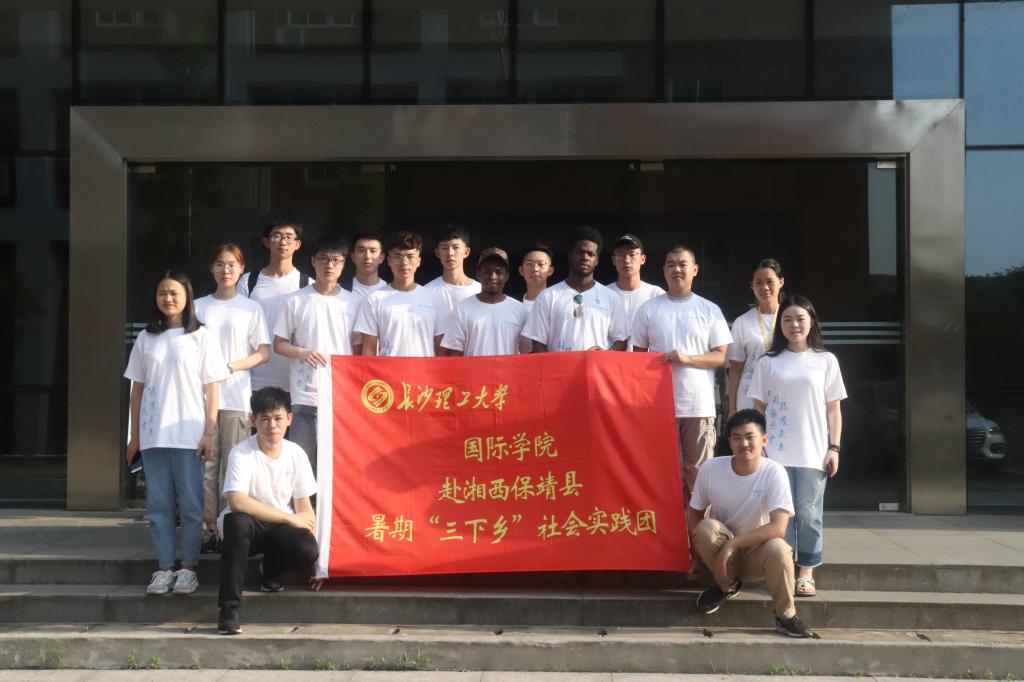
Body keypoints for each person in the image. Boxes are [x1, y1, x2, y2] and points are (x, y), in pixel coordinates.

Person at [124, 270, 228, 595]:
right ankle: (165, 567)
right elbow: (137, 390)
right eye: (162, 293)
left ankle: (189, 568)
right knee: (158, 506)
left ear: (187, 297)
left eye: (174, 293)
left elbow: (213, 389)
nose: (168, 298)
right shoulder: (146, 338)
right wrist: (135, 436)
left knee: (192, 505)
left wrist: (209, 432)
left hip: (189, 434)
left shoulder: (201, 336)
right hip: (153, 435)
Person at [748, 294, 846, 598]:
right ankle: (784, 569)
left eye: (801, 319)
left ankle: (806, 572)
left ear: (812, 322)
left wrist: (834, 447)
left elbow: (834, 409)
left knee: (809, 513)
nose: (794, 325)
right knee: (780, 516)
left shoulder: (826, 360)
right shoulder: (768, 362)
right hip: (775, 453)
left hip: (814, 451)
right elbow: (757, 408)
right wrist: (760, 448)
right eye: (787, 319)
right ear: (780, 325)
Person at [689, 409, 815, 638]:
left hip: (757, 555)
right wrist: (696, 557)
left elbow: (778, 527)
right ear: (729, 441)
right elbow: (695, 512)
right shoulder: (711, 468)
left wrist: (733, 544)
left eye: (750, 437)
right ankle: (727, 586)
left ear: (764, 440)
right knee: (706, 529)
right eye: (737, 437)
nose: (743, 443)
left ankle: (786, 616)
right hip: (721, 555)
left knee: (780, 548)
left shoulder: (774, 472)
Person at [631, 245, 732, 503]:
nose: (677, 269)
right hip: (658, 407)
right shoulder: (648, 309)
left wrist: (687, 359)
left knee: (698, 476)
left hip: (698, 406)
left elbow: (721, 357)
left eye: (683, 264)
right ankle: (669, 529)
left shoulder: (709, 309)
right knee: (663, 475)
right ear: (664, 271)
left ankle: (699, 530)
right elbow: (637, 359)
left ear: (694, 269)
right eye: (671, 264)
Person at [216, 387, 319, 635]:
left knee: (307, 548)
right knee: (237, 521)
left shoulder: (296, 454)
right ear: (253, 421)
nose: (272, 425)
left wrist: (318, 564)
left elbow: (304, 509)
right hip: (246, 528)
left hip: (279, 528)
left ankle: (271, 570)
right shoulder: (241, 452)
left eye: (278, 418)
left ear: (289, 419)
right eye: (264, 419)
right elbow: (237, 501)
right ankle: (229, 609)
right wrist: (289, 518)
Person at [194, 243, 271, 552]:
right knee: (206, 467)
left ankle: (229, 528)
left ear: (241, 270)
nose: (225, 270)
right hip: (199, 400)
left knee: (233, 466)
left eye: (232, 265)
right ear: (211, 269)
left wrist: (228, 367)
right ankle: (207, 528)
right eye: (220, 264)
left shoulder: (251, 308)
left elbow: (263, 353)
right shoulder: (197, 306)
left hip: (236, 397)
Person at [273, 234, 360, 475]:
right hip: (306, 396)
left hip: (342, 396)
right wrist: (303, 352)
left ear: (344, 263)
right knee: (303, 466)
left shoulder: (353, 303)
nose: (329, 265)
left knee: (339, 466)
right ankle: (305, 502)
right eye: (323, 259)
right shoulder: (295, 300)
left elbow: (359, 350)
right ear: (313, 261)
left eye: (336, 260)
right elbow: (279, 344)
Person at [522, 227, 629, 352]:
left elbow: (621, 341)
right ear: (570, 256)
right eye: (580, 252)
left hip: (596, 365)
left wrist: (604, 356)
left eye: (591, 254)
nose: (585, 257)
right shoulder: (548, 296)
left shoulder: (611, 297)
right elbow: (538, 343)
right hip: (559, 365)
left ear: (596, 261)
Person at [237, 216, 310, 393]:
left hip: (295, 383)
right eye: (276, 236)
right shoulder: (248, 282)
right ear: (266, 242)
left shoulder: (307, 285)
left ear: (297, 244)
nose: (283, 242)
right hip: (252, 380)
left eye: (289, 237)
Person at [355, 231, 449, 357]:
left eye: (410, 256)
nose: (404, 262)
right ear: (389, 260)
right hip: (388, 369)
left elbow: (440, 348)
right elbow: (369, 350)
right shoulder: (374, 299)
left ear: (419, 261)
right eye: (398, 256)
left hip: (425, 369)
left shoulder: (435, 299)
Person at [441, 247, 528, 357]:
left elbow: (527, 353)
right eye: (487, 272)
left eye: (499, 272)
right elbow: (454, 353)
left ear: (506, 276)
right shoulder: (462, 309)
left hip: (508, 369)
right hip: (473, 369)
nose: (493, 277)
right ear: (478, 274)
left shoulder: (520, 310)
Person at [728, 259, 785, 416]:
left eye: (770, 281)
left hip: (783, 396)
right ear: (752, 286)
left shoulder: (791, 320)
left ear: (781, 282)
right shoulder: (742, 322)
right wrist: (732, 409)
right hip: (749, 398)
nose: (764, 287)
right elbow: (735, 369)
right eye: (758, 283)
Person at [606, 233, 665, 351]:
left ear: (643, 259)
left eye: (632, 254)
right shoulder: (603, 294)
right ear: (613, 260)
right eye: (620, 255)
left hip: (646, 361)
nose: (627, 260)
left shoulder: (657, 295)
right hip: (610, 360)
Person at [425, 225, 481, 317]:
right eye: (445, 248)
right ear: (437, 253)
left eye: (456, 247)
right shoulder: (427, 292)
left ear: (466, 252)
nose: (450, 253)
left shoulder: (480, 291)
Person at [517, 243, 555, 354]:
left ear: (550, 270)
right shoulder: (513, 306)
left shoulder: (558, 304)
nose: (535, 269)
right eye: (529, 264)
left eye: (541, 264)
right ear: (521, 270)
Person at [350, 232, 389, 300]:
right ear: (353, 256)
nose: (367, 256)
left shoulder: (391, 291)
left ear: (381, 258)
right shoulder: (339, 290)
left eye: (373, 251)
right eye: (361, 251)